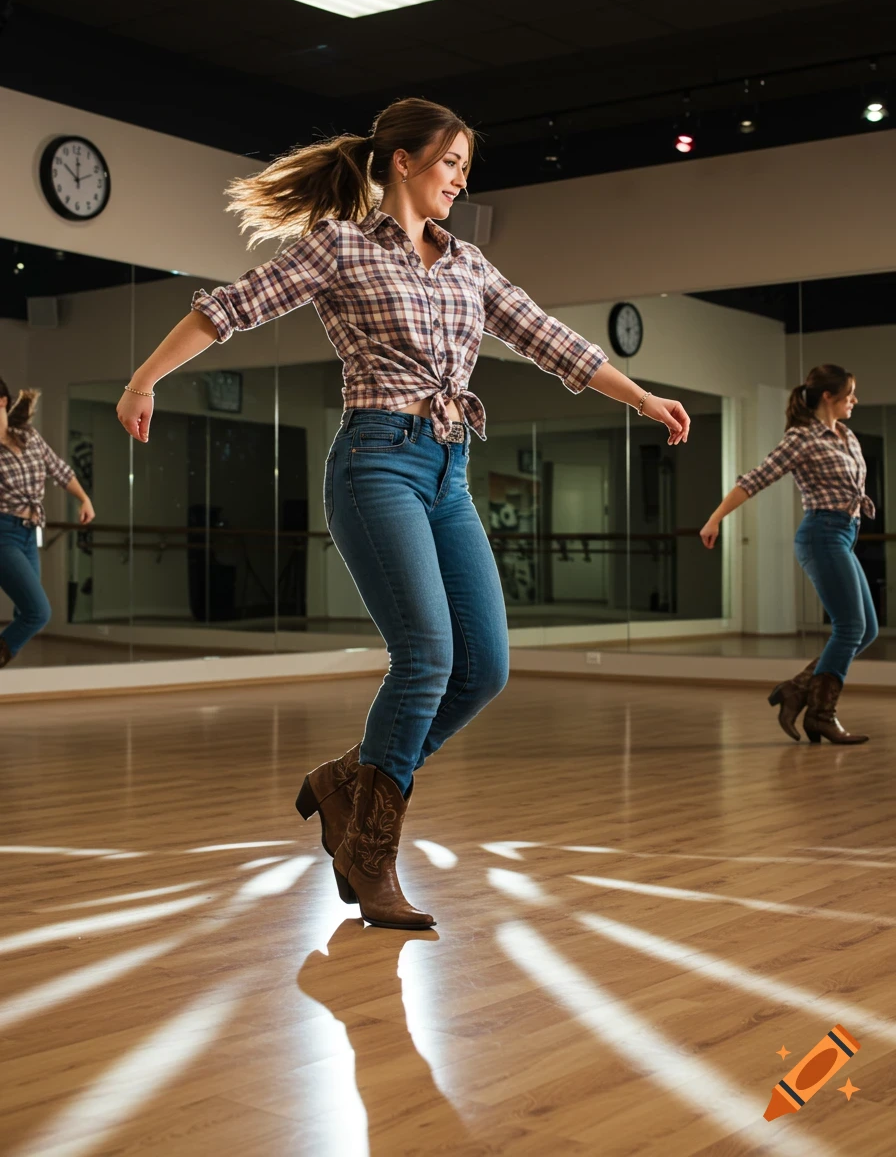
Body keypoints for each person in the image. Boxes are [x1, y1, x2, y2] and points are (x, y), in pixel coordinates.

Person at [116, 97, 690, 930]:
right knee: (425, 655)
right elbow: (230, 307)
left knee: (483, 666)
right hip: (375, 460)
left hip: (449, 471)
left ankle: (348, 780)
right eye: (450, 161)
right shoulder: (341, 247)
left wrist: (639, 396)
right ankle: (370, 852)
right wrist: (145, 378)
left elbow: (549, 339)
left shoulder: (469, 266)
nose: (460, 178)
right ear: (402, 163)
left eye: (464, 165)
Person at [700, 364, 874, 746]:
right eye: (849, 394)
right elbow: (755, 478)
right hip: (821, 535)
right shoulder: (801, 439)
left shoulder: (845, 435)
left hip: (844, 534)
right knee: (851, 627)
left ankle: (797, 692)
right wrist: (715, 519)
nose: (854, 401)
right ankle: (821, 715)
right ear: (828, 397)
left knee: (867, 629)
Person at [0, 381, 96, 668]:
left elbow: (59, 469)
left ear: (2, 401)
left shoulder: (27, 436)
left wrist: (84, 499)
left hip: (30, 533)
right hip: (3, 534)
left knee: (28, 612)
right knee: (38, 613)